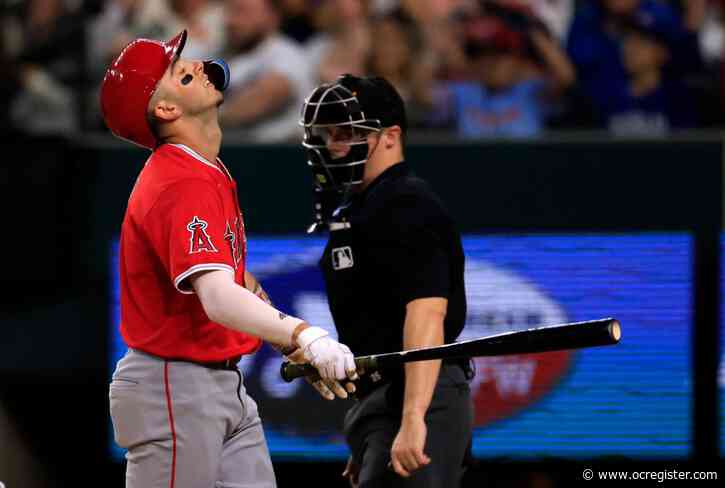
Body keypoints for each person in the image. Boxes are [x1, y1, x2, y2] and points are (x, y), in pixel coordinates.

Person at [100, 30, 358, 488]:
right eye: (179, 72)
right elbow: (217, 297)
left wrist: (287, 341)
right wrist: (305, 332)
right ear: (166, 110)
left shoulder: (203, 168)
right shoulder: (181, 180)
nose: (197, 64)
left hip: (219, 385)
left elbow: (230, 280)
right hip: (174, 389)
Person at [299, 74, 474, 487]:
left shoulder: (407, 202)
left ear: (390, 136)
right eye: (326, 135)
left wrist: (413, 418)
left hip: (418, 395)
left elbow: (428, 314)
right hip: (380, 401)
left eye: (345, 133)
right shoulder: (361, 208)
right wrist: (367, 430)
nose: (331, 146)